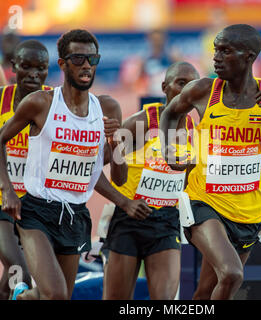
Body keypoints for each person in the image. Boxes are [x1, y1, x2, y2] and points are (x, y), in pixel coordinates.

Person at [160, 24, 261, 300]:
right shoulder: (203, 91)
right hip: (203, 202)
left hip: (249, 212)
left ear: (249, 57)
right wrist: (169, 150)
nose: (216, 58)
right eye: (216, 50)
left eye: (225, 51)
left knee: (206, 292)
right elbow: (170, 114)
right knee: (232, 273)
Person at [0, 29, 151, 300]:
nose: (86, 65)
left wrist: (116, 146)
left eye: (92, 59)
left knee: (60, 296)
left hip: (75, 216)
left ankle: (20, 297)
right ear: (62, 63)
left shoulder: (107, 108)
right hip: (36, 213)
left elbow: (108, 176)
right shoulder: (40, 103)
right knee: (54, 293)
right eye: (79, 58)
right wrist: (8, 190)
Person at [102, 61, 200, 300]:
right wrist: (124, 203)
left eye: (193, 85)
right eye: (181, 83)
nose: (188, 91)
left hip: (166, 223)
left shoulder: (192, 128)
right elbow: (93, 167)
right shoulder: (143, 122)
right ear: (164, 87)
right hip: (129, 220)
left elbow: (186, 180)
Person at [0, 39, 52, 300]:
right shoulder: (1, 100)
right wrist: (6, 188)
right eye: (26, 66)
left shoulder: (55, 102)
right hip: (3, 202)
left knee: (9, 281)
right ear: (14, 67)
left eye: (40, 68)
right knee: (20, 273)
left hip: (33, 205)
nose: (34, 74)